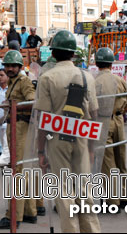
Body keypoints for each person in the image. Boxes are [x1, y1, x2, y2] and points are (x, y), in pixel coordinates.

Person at [34, 30, 101, 233]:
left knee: (63, 192)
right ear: (73, 54)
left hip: (56, 139)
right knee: (84, 189)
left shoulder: (47, 77)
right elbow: (94, 115)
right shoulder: (87, 77)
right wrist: (91, 148)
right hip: (81, 136)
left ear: (53, 53)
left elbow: (42, 120)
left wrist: (40, 151)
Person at [0, 50, 37, 230]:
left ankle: (13, 216)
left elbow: (32, 101)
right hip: (14, 126)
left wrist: (14, 106)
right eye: (7, 66)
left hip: (21, 128)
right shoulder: (13, 82)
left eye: (13, 66)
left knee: (17, 171)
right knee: (22, 170)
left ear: (19, 67)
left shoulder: (23, 81)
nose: (9, 69)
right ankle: (29, 212)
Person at [94, 48, 127, 209]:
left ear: (96, 63)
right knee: (120, 158)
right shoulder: (120, 80)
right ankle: (123, 196)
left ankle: (111, 200)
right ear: (111, 63)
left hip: (103, 120)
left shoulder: (94, 82)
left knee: (107, 162)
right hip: (119, 119)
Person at [0, 69, 10, 164]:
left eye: (2, 75)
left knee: (6, 147)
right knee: (1, 146)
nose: (0, 77)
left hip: (8, 123)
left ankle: (3, 165)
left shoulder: (10, 90)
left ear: (7, 77)